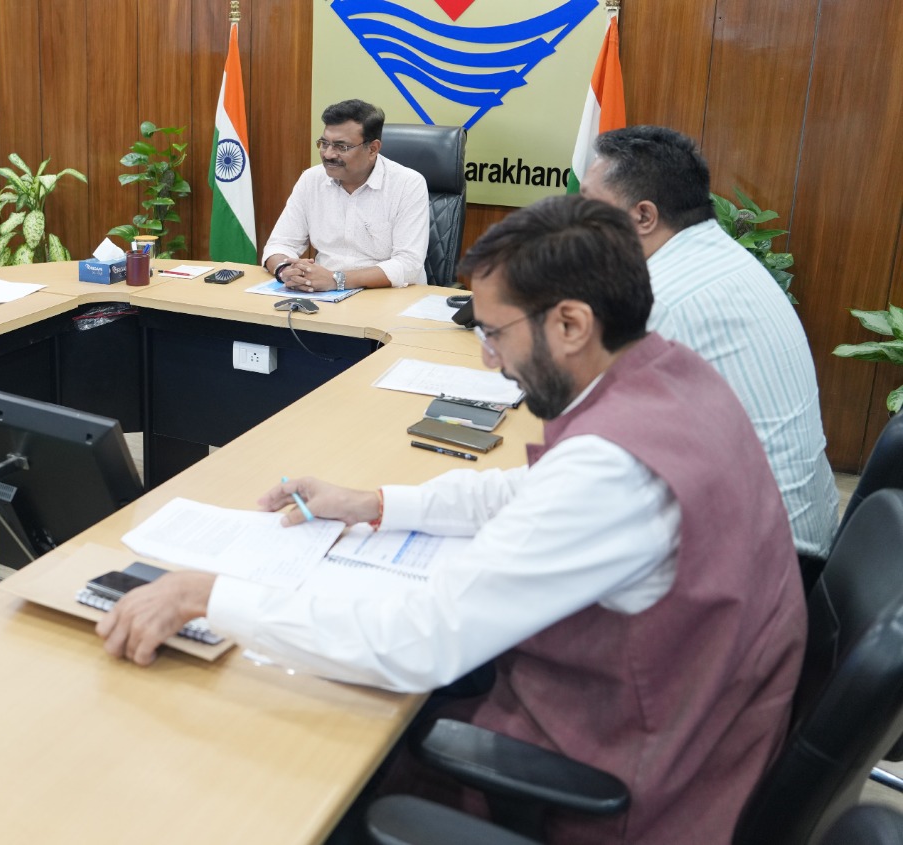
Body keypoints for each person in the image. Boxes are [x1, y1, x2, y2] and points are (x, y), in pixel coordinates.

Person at [99, 196, 805, 845]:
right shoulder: (672, 374)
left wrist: (206, 595)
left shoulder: (612, 474)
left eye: (495, 334)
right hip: (683, 723)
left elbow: (419, 643)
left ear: (571, 324)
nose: (491, 360)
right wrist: (376, 503)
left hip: (624, 786)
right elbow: (530, 491)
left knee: (262, 777)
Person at [578, 125, 840, 565]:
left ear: (643, 217)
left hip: (760, 566)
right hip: (798, 540)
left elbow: (603, 455)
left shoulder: (664, 300)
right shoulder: (716, 254)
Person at [260, 99, 428, 293]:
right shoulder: (311, 179)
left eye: (342, 147)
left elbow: (409, 265)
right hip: (323, 294)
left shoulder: (408, 184)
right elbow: (280, 243)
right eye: (324, 144)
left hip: (388, 294)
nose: (328, 154)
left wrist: (336, 279)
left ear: (372, 149)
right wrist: (286, 271)